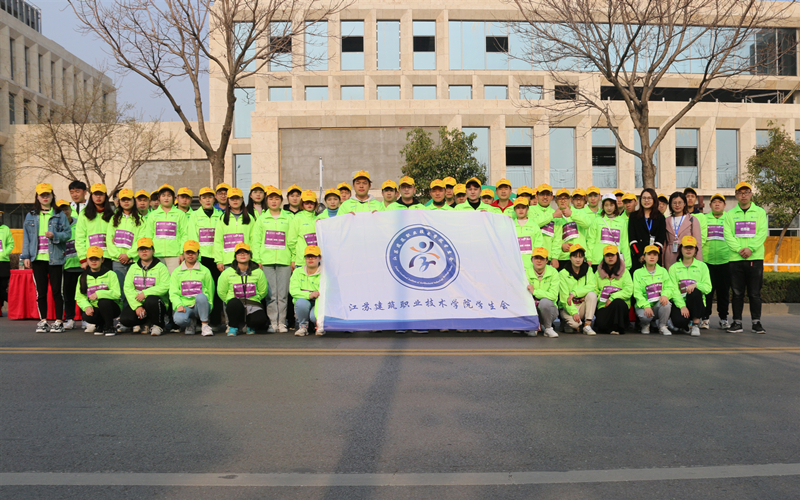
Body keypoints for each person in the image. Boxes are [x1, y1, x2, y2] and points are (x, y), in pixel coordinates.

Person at [21, 183, 71, 333]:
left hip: (55, 258)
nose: (45, 197)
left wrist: (55, 235)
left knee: (57, 291)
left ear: (52, 196)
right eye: (42, 195)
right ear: (37, 197)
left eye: (47, 194)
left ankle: (59, 321)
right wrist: (26, 256)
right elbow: (26, 238)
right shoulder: (31, 215)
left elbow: (68, 234)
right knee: (41, 292)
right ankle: (43, 320)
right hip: (37, 258)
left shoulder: (59, 214)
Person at [724, 181, 768, 334]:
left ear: (751, 194)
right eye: (740, 193)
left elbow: (762, 232)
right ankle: (737, 322)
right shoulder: (730, 214)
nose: (743, 195)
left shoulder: (760, 212)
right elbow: (727, 234)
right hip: (735, 259)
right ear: (736, 195)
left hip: (755, 258)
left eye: (746, 192)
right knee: (737, 293)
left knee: (754, 293)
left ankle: (756, 322)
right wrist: (739, 249)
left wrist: (751, 249)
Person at [252, 187, 294, 333]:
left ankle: (282, 322)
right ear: (266, 200)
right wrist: (257, 259)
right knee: (271, 294)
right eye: (271, 198)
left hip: (284, 260)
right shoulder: (262, 219)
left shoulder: (289, 217)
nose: (274, 201)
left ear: (281, 200)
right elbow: (256, 240)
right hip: (266, 261)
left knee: (282, 294)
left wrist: (293, 258)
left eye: (277, 198)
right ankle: (272, 322)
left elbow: (292, 239)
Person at [106, 188, 145, 331]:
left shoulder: (140, 220)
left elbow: (141, 240)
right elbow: (109, 240)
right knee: (120, 292)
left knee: (134, 291)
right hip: (118, 262)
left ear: (133, 201)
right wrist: (119, 255)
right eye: (123, 200)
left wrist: (129, 255)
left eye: (129, 199)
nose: (126, 202)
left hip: (133, 261)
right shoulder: (114, 219)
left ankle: (134, 321)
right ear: (119, 202)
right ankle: (122, 321)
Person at [188, 186, 225, 330]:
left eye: (210, 197)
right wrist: (195, 257)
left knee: (216, 290)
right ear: (200, 200)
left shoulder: (220, 215)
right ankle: (199, 321)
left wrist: (220, 258)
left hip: (216, 258)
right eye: (204, 197)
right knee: (200, 289)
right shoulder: (194, 216)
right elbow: (192, 237)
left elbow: (222, 238)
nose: (207, 200)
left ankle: (215, 321)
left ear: (214, 198)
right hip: (201, 258)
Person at [119, 238, 170, 336]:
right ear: (138, 252)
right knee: (126, 319)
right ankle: (145, 322)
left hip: (156, 303)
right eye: (141, 249)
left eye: (147, 249)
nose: (144, 251)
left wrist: (145, 293)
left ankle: (158, 324)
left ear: (153, 251)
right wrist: (137, 306)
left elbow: (165, 286)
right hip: (139, 302)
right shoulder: (133, 268)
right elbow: (128, 288)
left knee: (151, 300)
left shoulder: (161, 267)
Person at [217, 243, 269, 336]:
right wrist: (229, 300)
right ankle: (233, 326)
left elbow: (263, 291)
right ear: (235, 256)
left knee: (260, 320)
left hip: (252, 304)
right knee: (233, 303)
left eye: (245, 252)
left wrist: (255, 299)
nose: (242, 254)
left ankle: (249, 325)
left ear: (250, 255)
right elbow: (221, 292)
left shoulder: (258, 272)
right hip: (236, 304)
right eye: (239, 253)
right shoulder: (227, 273)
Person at [668, 236, 712, 336]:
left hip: (698, 304)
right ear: (681, 249)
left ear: (695, 250)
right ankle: (686, 325)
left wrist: (696, 285)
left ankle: (695, 324)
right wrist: (682, 306)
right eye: (686, 247)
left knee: (694, 291)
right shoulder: (674, 268)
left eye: (691, 247)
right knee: (679, 322)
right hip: (680, 302)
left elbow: (708, 287)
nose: (688, 250)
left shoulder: (702, 266)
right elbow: (673, 290)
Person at [170, 240, 215, 336]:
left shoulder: (205, 271)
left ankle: (205, 325)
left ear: (198, 253)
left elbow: (210, 290)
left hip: (200, 305)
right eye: (188, 252)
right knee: (178, 319)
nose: (190, 255)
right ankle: (191, 323)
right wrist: (178, 305)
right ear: (183, 253)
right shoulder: (176, 272)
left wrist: (209, 307)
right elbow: (173, 292)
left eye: (193, 252)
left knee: (201, 297)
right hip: (185, 306)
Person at [76, 246, 122, 336]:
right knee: (86, 315)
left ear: (102, 260)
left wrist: (99, 294)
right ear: (87, 260)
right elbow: (80, 297)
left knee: (103, 302)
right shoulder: (82, 277)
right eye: (91, 259)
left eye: (97, 259)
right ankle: (100, 325)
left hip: (112, 307)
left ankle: (109, 327)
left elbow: (117, 293)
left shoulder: (111, 274)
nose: (94, 261)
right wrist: (87, 307)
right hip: (95, 307)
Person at [701, 193, 731, 330]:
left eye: (720, 202)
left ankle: (723, 318)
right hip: (707, 261)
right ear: (710, 205)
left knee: (723, 292)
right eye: (714, 202)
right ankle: (705, 318)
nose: (717, 204)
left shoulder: (729, 219)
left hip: (725, 260)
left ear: (724, 205)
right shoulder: (704, 219)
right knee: (707, 292)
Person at [632, 245, 674, 335]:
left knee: (667, 304)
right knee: (645, 317)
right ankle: (645, 324)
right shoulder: (637, 273)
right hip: (643, 306)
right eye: (649, 254)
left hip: (658, 304)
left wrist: (665, 295)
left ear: (658, 257)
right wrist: (646, 306)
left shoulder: (663, 271)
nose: (652, 257)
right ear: (644, 257)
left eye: (655, 255)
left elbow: (669, 287)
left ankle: (662, 326)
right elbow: (637, 293)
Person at [146, 184, 188, 273]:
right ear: (159, 197)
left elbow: (185, 234)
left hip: (175, 255)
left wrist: (182, 252)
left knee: (174, 279)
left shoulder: (180, 214)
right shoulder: (153, 215)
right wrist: (150, 252)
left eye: (169, 195)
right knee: (158, 279)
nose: (166, 198)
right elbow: (149, 235)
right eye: (163, 195)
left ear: (174, 198)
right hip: (156, 254)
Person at [557, 244, 597, 335]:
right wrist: (574, 312)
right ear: (570, 257)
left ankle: (587, 325)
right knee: (575, 325)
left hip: (581, 304)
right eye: (575, 256)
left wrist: (574, 293)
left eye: (580, 257)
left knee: (592, 295)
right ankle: (566, 322)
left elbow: (592, 286)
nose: (578, 260)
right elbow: (564, 298)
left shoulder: (589, 270)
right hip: (568, 306)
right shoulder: (562, 273)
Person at [594, 245, 633, 334]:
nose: (610, 257)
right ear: (604, 257)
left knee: (618, 302)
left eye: (613, 255)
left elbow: (628, 290)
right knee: (601, 325)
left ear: (617, 256)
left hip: (620, 306)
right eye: (607, 255)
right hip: (603, 305)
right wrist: (602, 298)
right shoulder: (597, 273)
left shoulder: (625, 272)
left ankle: (617, 328)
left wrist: (612, 297)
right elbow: (594, 289)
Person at [587, 193, 631, 271]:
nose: (609, 208)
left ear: (615, 206)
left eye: (611, 205)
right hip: (598, 260)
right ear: (603, 206)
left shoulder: (622, 221)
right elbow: (591, 241)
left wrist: (627, 264)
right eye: (606, 205)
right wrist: (589, 258)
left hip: (615, 261)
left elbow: (624, 243)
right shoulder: (597, 221)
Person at [75, 183, 113, 272]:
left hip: (109, 257)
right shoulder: (84, 214)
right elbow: (80, 237)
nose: (98, 197)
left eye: (101, 194)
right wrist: (83, 258)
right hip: (91, 258)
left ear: (105, 196)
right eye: (95, 194)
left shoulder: (112, 215)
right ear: (91, 196)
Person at [213, 187, 254, 270]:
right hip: (227, 261)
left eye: (237, 198)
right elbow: (218, 241)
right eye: (232, 199)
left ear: (242, 199)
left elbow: (254, 240)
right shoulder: (222, 219)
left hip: (245, 260)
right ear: (228, 200)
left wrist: (253, 258)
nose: (235, 201)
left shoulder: (250, 218)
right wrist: (219, 260)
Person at [628, 188, 667, 273]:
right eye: (644, 198)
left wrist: (652, 254)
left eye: (649, 198)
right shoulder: (634, 216)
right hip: (638, 258)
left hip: (654, 257)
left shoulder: (660, 217)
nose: (646, 200)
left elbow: (661, 238)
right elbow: (632, 239)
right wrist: (640, 255)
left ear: (654, 200)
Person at [525, 247, 560, 337]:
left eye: (542, 258)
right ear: (532, 260)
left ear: (547, 260)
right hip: (532, 310)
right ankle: (534, 325)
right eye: (536, 258)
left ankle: (548, 328)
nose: (539, 261)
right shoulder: (526, 273)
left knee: (544, 302)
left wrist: (535, 292)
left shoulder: (554, 272)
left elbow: (553, 295)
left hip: (550, 310)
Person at [57, 201, 81, 330]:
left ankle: (86, 319)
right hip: (66, 266)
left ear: (71, 210)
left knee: (83, 292)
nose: (64, 212)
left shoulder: (79, 223)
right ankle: (70, 318)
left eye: (66, 209)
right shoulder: (56, 226)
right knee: (68, 294)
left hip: (81, 264)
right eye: (61, 210)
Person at [664, 191, 703, 269]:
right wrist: (662, 262)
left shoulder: (692, 220)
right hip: (670, 256)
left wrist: (699, 262)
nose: (677, 205)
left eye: (680, 202)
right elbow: (664, 243)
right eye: (674, 203)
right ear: (670, 205)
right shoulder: (666, 220)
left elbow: (698, 243)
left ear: (685, 204)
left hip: (687, 255)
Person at [290, 244, 323, 336]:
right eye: (308, 256)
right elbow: (293, 291)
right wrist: (309, 295)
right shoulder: (297, 272)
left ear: (319, 258)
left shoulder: (325, 273)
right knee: (301, 303)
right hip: (305, 301)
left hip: (319, 302)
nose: (310, 259)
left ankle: (319, 326)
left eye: (314, 256)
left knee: (313, 316)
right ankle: (303, 327)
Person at [552, 188, 586, 270]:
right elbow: (553, 238)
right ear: (555, 201)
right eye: (560, 198)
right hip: (562, 257)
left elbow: (587, 224)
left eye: (565, 198)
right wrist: (561, 246)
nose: (563, 200)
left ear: (570, 200)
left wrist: (572, 214)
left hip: (578, 257)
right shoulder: (554, 217)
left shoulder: (579, 212)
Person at [512, 197, 544, 274]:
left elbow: (538, 245)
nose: (521, 210)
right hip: (514, 265)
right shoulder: (510, 225)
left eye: (523, 207)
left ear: (527, 209)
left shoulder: (534, 226)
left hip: (530, 265)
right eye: (518, 207)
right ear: (514, 209)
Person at [530, 184, 557, 257]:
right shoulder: (529, 210)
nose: (545, 197)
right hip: (532, 255)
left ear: (552, 197)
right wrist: (552, 216)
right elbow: (533, 225)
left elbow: (557, 239)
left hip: (548, 256)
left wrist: (555, 257)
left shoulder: (555, 213)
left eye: (548, 194)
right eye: (542, 194)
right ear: (536, 196)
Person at [0, 210, 15, 315]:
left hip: (3, 262)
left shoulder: (5, 229)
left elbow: (11, 243)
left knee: (3, 286)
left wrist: (5, 253)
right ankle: (12, 302)